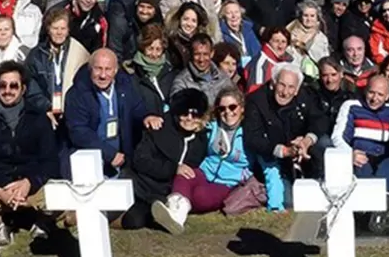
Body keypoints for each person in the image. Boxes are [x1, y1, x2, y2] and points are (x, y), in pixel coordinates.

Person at [0, 60, 63, 244]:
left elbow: (51, 162)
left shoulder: (39, 119)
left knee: (62, 198)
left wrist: (29, 183)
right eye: (2, 85)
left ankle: (41, 221)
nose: (7, 90)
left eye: (13, 85)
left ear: (23, 89)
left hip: (31, 185)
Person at [151, 86, 252, 232]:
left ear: (241, 108)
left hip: (227, 182)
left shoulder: (249, 132)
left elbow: (261, 162)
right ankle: (175, 213)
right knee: (183, 174)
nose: (227, 112)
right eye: (222, 109)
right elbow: (181, 113)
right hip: (205, 171)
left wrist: (243, 176)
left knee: (200, 197)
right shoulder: (211, 127)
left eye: (232, 107)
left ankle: (176, 212)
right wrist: (153, 116)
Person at [125, 89, 210, 231]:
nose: (189, 118)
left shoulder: (200, 138)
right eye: (185, 113)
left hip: (168, 192)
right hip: (142, 185)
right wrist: (174, 168)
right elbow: (141, 160)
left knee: (136, 219)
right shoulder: (159, 128)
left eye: (195, 114)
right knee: (133, 219)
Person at [244, 64, 324, 209]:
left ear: (297, 90)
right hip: (274, 157)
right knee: (290, 203)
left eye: (291, 87)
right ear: (274, 82)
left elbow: (320, 120)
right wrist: (284, 151)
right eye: (282, 85)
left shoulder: (306, 95)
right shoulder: (256, 101)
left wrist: (306, 141)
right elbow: (252, 138)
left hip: (303, 150)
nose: (285, 92)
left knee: (324, 143)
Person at [65, 49, 154, 178]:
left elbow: (137, 108)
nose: (103, 75)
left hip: (122, 158)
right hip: (91, 160)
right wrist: (108, 153)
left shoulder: (126, 86)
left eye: (108, 69)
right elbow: (78, 131)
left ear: (115, 70)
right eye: (98, 69)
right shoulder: (77, 93)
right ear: (90, 69)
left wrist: (147, 117)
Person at [332, 75, 389, 230]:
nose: (375, 98)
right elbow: (338, 136)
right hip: (361, 154)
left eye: (380, 95)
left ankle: (381, 206)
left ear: (388, 96)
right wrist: (349, 153)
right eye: (371, 93)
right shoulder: (352, 106)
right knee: (364, 174)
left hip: (387, 155)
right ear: (365, 91)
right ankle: (368, 212)